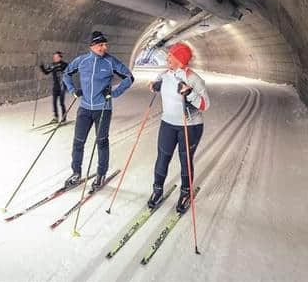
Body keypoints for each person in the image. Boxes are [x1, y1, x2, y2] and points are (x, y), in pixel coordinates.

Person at [63, 31, 134, 191]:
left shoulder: (110, 62)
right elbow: (66, 74)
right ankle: (76, 172)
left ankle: (101, 173)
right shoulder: (82, 61)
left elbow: (129, 77)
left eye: (105, 44)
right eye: (101, 44)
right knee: (78, 142)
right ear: (92, 46)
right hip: (85, 108)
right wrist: (73, 90)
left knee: (101, 142)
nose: (104, 47)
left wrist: (114, 93)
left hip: (103, 109)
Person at [147, 43, 210, 213]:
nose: (167, 58)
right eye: (168, 56)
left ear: (180, 59)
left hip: (190, 126)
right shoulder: (165, 74)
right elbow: (154, 83)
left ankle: (185, 193)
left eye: (171, 56)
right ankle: (157, 190)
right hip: (168, 123)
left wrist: (190, 93)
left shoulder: (193, 78)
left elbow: (205, 104)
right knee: (162, 157)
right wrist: (154, 86)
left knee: (185, 161)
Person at [39, 51, 69, 123]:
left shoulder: (64, 65)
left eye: (56, 57)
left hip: (62, 86)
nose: (54, 58)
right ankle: (56, 117)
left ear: (60, 57)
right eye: (54, 57)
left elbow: (69, 72)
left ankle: (64, 117)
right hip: (56, 86)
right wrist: (42, 67)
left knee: (61, 103)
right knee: (54, 102)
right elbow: (46, 72)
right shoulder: (53, 65)